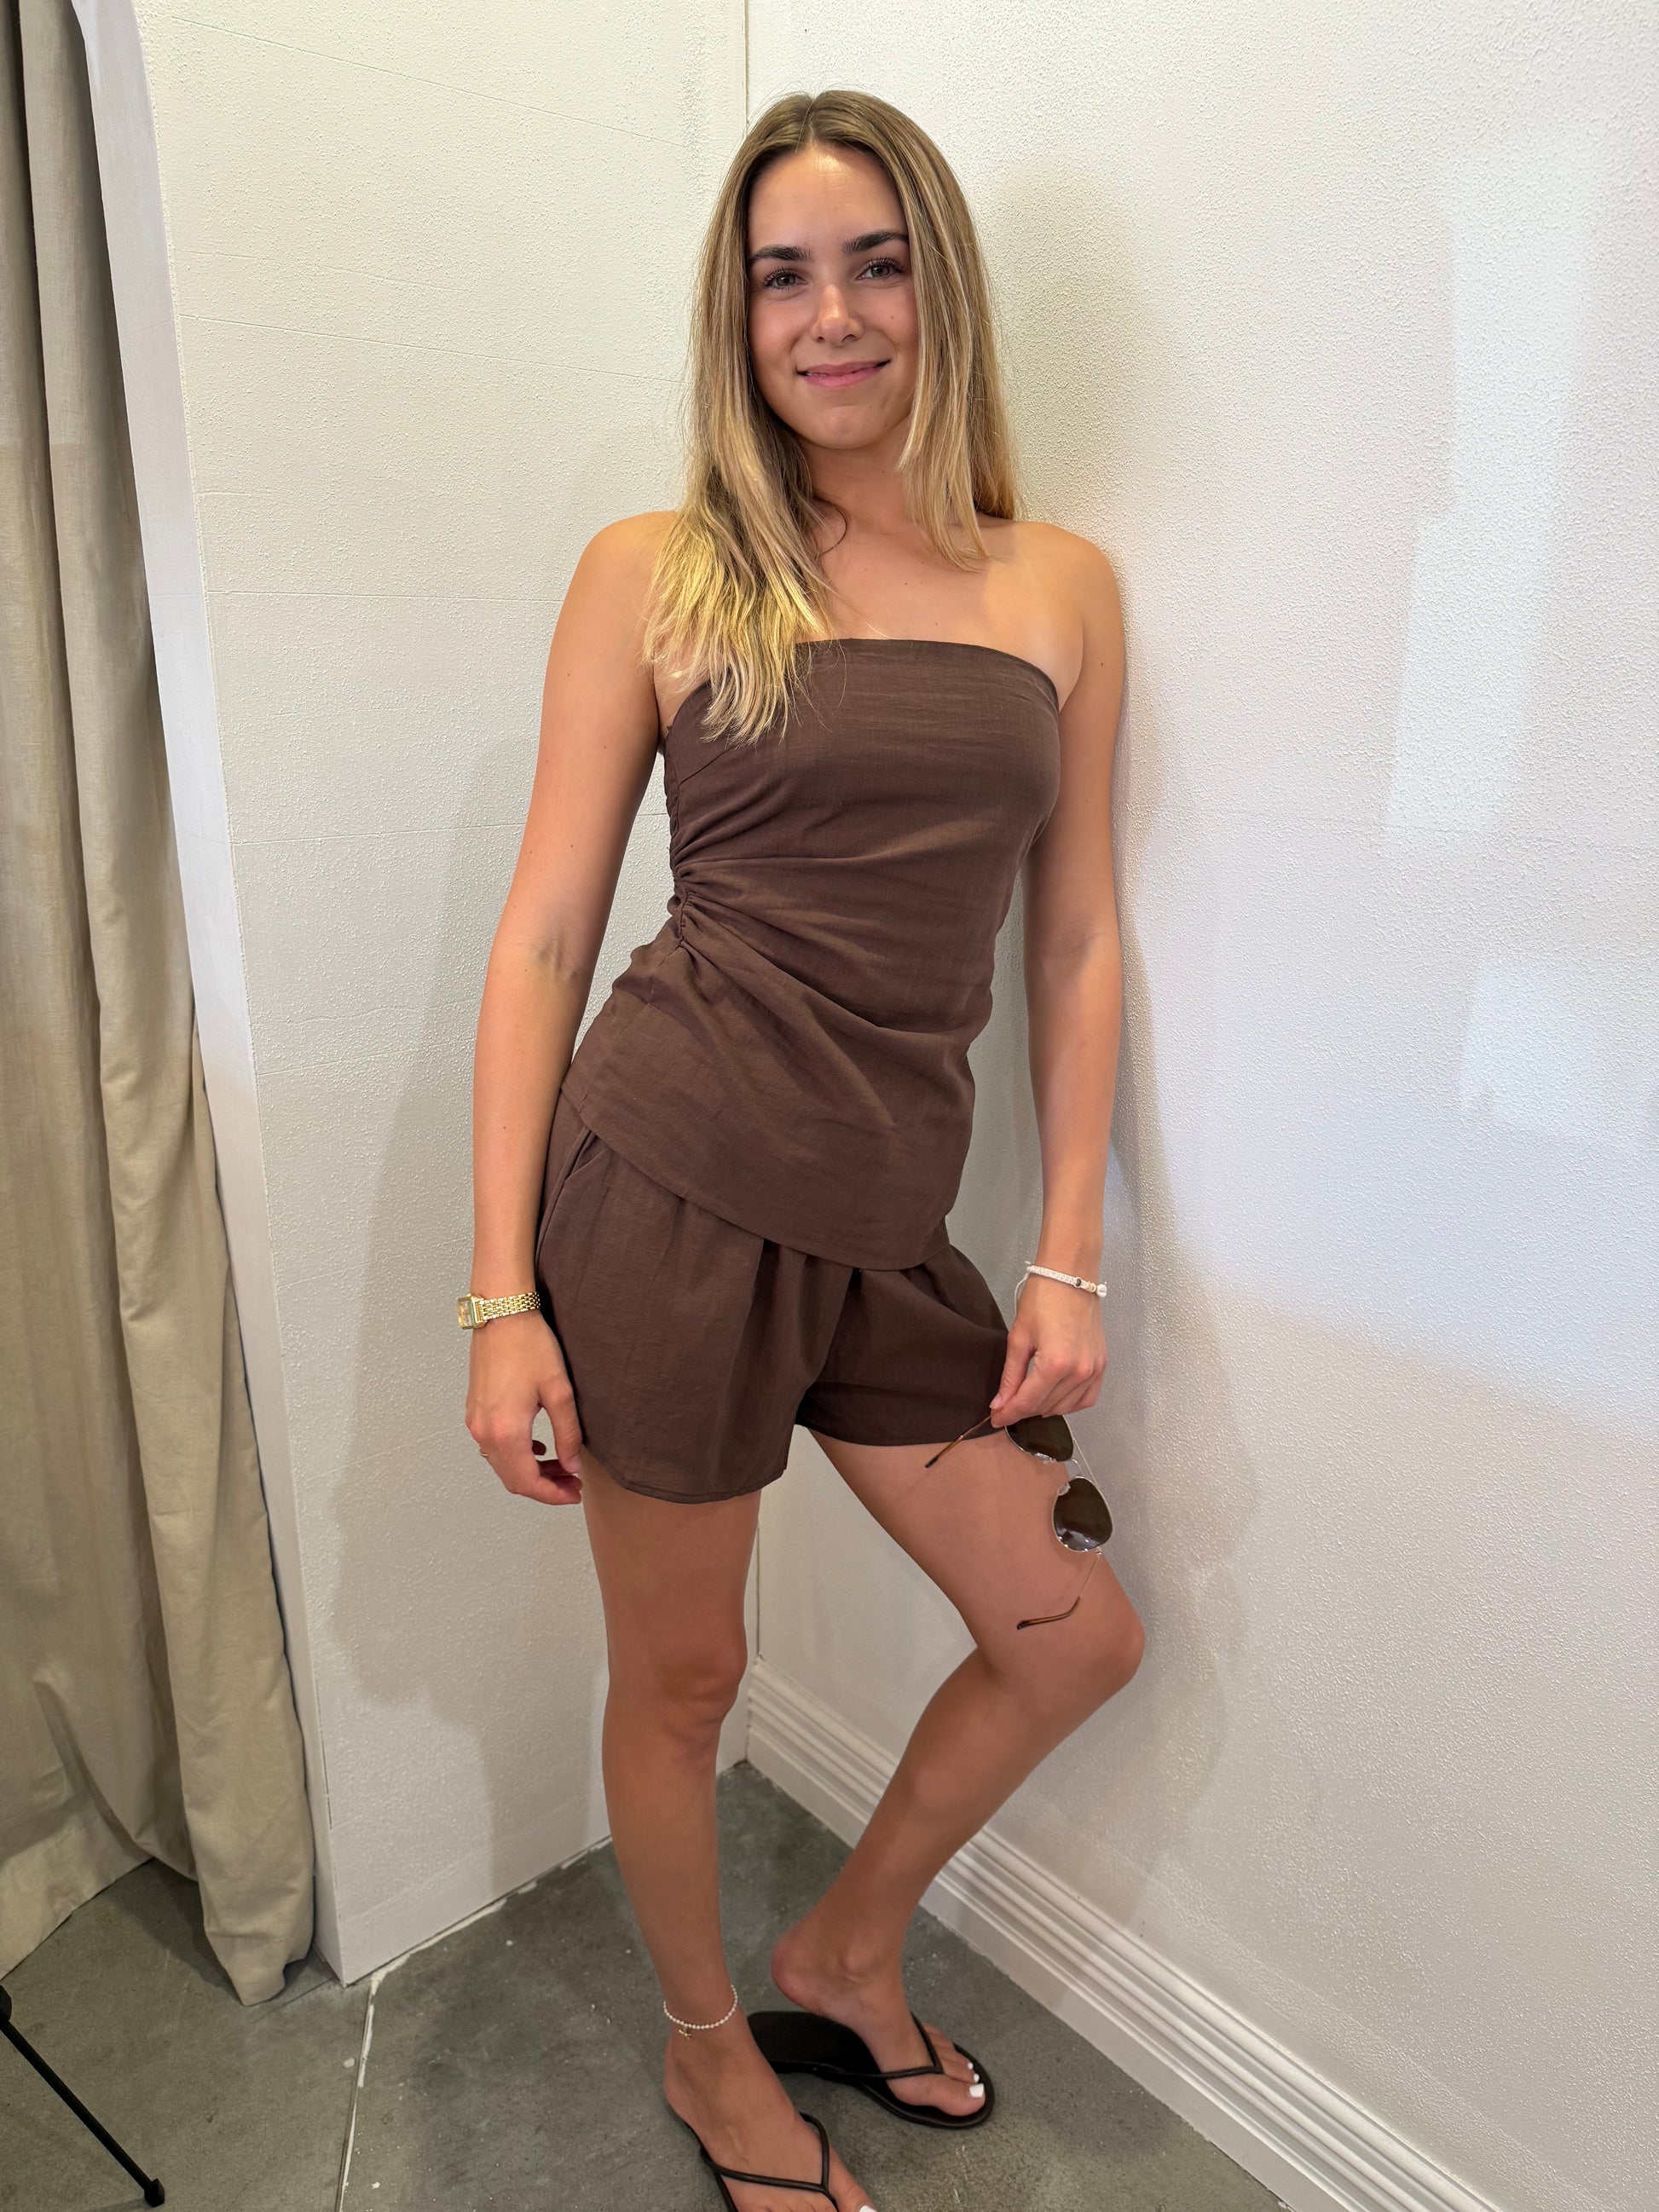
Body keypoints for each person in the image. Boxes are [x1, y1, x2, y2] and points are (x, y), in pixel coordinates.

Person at [464, 87, 1141, 2212]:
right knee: (686, 1677)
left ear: (941, 291)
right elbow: (547, 933)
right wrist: (499, 1294)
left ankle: (839, 1950)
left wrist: (1065, 1247)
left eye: (874, 265)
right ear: (734, 315)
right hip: (665, 1184)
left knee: (1073, 1632)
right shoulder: (659, 570)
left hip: (882, 1220)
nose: (829, 316)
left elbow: (1077, 936)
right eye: (781, 276)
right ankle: (704, 2057)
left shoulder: (1060, 587)